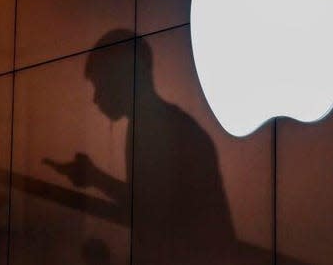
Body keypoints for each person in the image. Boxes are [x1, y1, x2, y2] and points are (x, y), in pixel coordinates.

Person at [45, 29, 237, 264]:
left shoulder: (158, 131)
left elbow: (152, 211)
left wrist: (94, 177)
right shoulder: (159, 127)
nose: (96, 99)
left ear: (124, 77)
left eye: (100, 85)